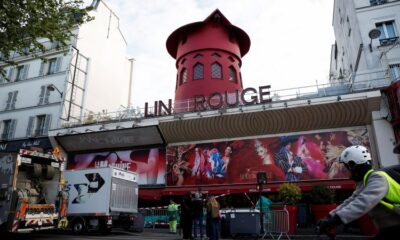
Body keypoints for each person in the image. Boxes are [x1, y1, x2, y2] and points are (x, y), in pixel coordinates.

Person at [317, 145, 400, 239]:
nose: (344, 171)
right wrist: (329, 217)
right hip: (390, 229)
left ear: (353, 166)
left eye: (345, 167)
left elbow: (363, 202)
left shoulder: (378, 179)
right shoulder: (365, 181)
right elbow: (351, 201)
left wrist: (336, 220)